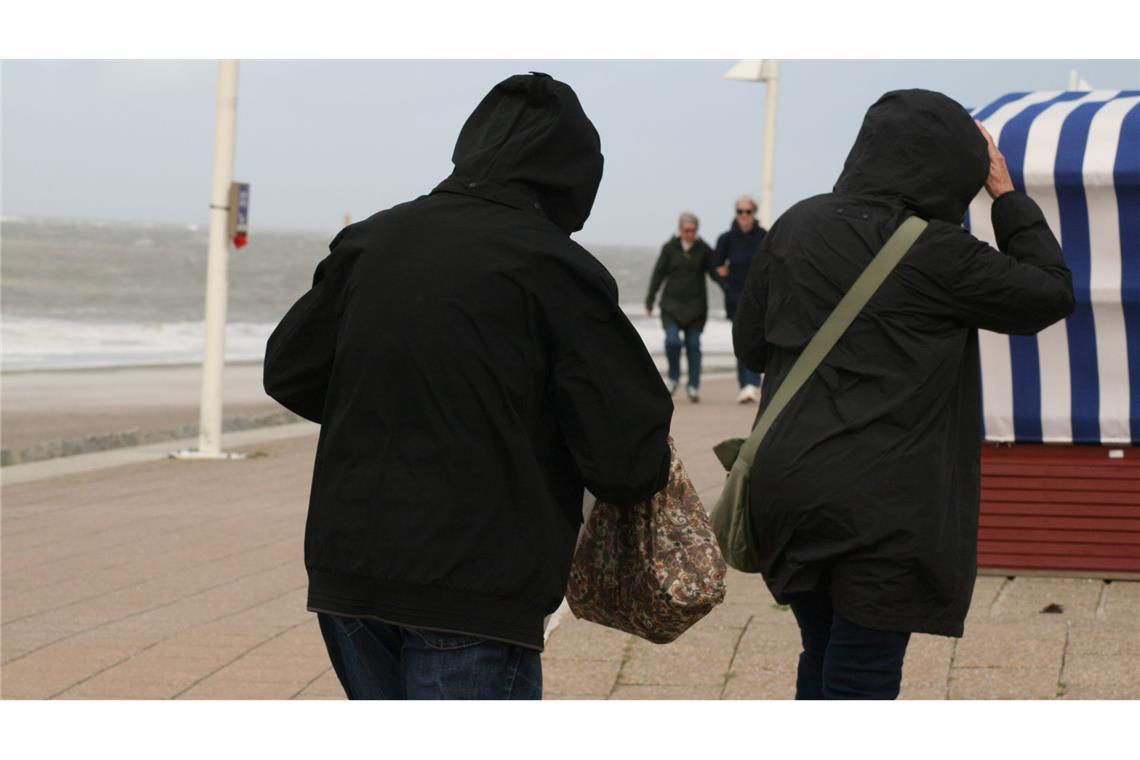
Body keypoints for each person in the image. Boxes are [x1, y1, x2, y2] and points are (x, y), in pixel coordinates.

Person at [263, 73, 673, 700]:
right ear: (575, 175)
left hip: (350, 573)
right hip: (477, 586)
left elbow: (290, 369)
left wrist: (396, 405)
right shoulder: (557, 269)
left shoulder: (374, 240)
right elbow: (627, 460)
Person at [733, 89, 1074, 700]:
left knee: (823, 651)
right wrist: (1006, 195)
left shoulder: (796, 226)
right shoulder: (939, 252)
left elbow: (753, 348)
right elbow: (1048, 292)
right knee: (862, 672)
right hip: (883, 504)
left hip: (790, 488)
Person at [645, 212, 717, 403]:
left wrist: (732, 290)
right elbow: (658, 275)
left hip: (696, 308)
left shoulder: (704, 250)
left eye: (693, 230)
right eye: (686, 230)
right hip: (671, 306)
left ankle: (693, 385)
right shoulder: (669, 249)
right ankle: (673, 377)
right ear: (680, 230)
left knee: (693, 345)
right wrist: (649, 300)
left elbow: (715, 273)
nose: (690, 234)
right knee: (672, 341)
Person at [713, 195, 767, 403]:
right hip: (735, 298)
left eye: (748, 211)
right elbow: (715, 266)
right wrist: (726, 285)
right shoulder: (726, 238)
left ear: (753, 213)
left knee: (756, 338)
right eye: (740, 211)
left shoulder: (763, 236)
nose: (743, 215)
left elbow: (770, 263)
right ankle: (745, 385)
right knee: (741, 339)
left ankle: (753, 384)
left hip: (758, 297)